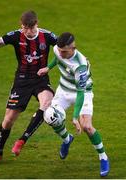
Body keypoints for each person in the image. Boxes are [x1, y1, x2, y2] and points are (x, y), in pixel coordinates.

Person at [0, 10, 57, 167]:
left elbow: (65, 48)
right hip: (22, 81)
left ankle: (21, 140)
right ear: (22, 26)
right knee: (8, 120)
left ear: (37, 24)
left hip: (41, 79)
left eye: (31, 28)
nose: (28, 31)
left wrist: (79, 58)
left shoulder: (47, 36)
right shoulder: (16, 36)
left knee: (47, 103)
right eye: (25, 27)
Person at [37, 32, 110, 177]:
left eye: (64, 51)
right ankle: (67, 138)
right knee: (50, 116)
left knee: (87, 127)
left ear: (73, 48)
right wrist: (48, 68)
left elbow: (80, 93)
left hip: (82, 93)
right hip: (63, 91)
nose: (61, 53)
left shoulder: (80, 66)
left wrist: (75, 117)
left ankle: (103, 156)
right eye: (60, 50)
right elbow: (58, 58)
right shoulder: (58, 49)